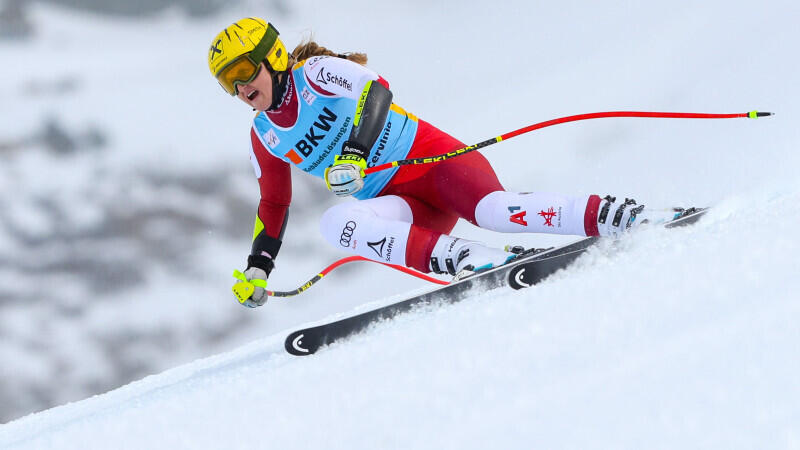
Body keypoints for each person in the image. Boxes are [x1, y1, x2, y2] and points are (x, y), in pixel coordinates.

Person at [209, 18, 645, 308]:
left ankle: (615, 215)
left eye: (244, 70)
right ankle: (472, 260)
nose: (241, 87)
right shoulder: (263, 136)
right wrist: (258, 267)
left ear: (275, 57)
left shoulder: (316, 73)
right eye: (229, 82)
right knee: (337, 224)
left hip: (435, 165)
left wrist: (356, 153)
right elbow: (274, 203)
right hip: (401, 202)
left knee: (495, 212)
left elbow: (377, 91)